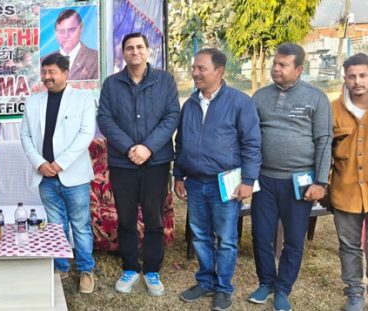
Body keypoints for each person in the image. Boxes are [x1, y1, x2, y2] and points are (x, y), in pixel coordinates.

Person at [174, 48, 262, 311]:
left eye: (201, 68)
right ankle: (205, 281)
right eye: (194, 68)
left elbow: (252, 144)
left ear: (219, 71)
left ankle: (223, 287)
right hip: (196, 182)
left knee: (225, 238)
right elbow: (181, 143)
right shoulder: (189, 103)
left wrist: (248, 179)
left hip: (226, 183)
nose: (195, 73)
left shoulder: (239, 102)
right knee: (200, 236)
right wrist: (179, 175)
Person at [248, 43, 332, 311]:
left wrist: (320, 182)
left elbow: (324, 141)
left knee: (294, 239)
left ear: (299, 69)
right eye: (275, 63)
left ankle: (283, 288)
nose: (275, 68)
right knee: (261, 235)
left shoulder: (316, 98)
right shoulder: (259, 97)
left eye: (283, 65)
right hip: (265, 180)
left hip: (300, 182)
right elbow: (248, 139)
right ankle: (266, 283)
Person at [96, 32, 180, 296]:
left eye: (140, 47)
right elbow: (105, 119)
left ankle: (152, 269)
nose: (135, 51)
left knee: (155, 217)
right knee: (127, 218)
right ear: (123, 52)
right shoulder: (111, 84)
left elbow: (171, 116)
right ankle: (131, 266)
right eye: (129, 47)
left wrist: (148, 147)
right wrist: (130, 148)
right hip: (123, 163)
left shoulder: (165, 81)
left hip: (156, 162)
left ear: (148, 51)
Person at [20, 53, 97, 293]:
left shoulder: (83, 98)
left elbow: (86, 134)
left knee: (81, 225)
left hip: (74, 176)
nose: (47, 77)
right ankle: (61, 267)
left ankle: (86, 269)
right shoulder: (33, 102)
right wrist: (40, 163)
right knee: (55, 225)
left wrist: (60, 163)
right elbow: (25, 136)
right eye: (44, 72)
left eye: (52, 72)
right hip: (45, 176)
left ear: (66, 73)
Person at [329, 52, 368, 311]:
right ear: (345, 77)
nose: (357, 81)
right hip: (345, 191)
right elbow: (325, 151)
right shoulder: (333, 109)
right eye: (352, 76)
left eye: (363, 75)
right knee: (349, 246)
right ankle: (355, 293)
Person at [45, 9, 98, 80]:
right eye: (61, 31)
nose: (66, 35)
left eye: (71, 30)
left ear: (81, 28)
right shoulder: (43, 61)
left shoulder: (95, 59)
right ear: (55, 32)